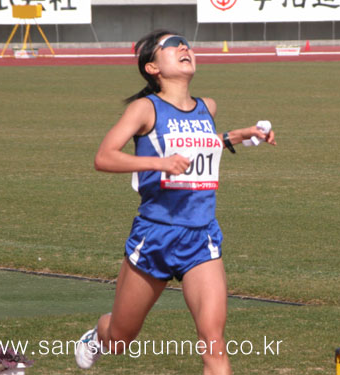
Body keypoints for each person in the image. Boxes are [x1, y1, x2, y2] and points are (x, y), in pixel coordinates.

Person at [75, 29, 276, 374]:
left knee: (213, 340)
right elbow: (104, 157)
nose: (183, 47)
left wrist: (239, 136)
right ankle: (97, 335)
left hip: (201, 237)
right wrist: (159, 162)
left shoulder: (206, 107)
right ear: (152, 68)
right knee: (121, 339)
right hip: (155, 235)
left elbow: (201, 146)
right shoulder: (145, 109)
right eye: (171, 45)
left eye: (185, 42)